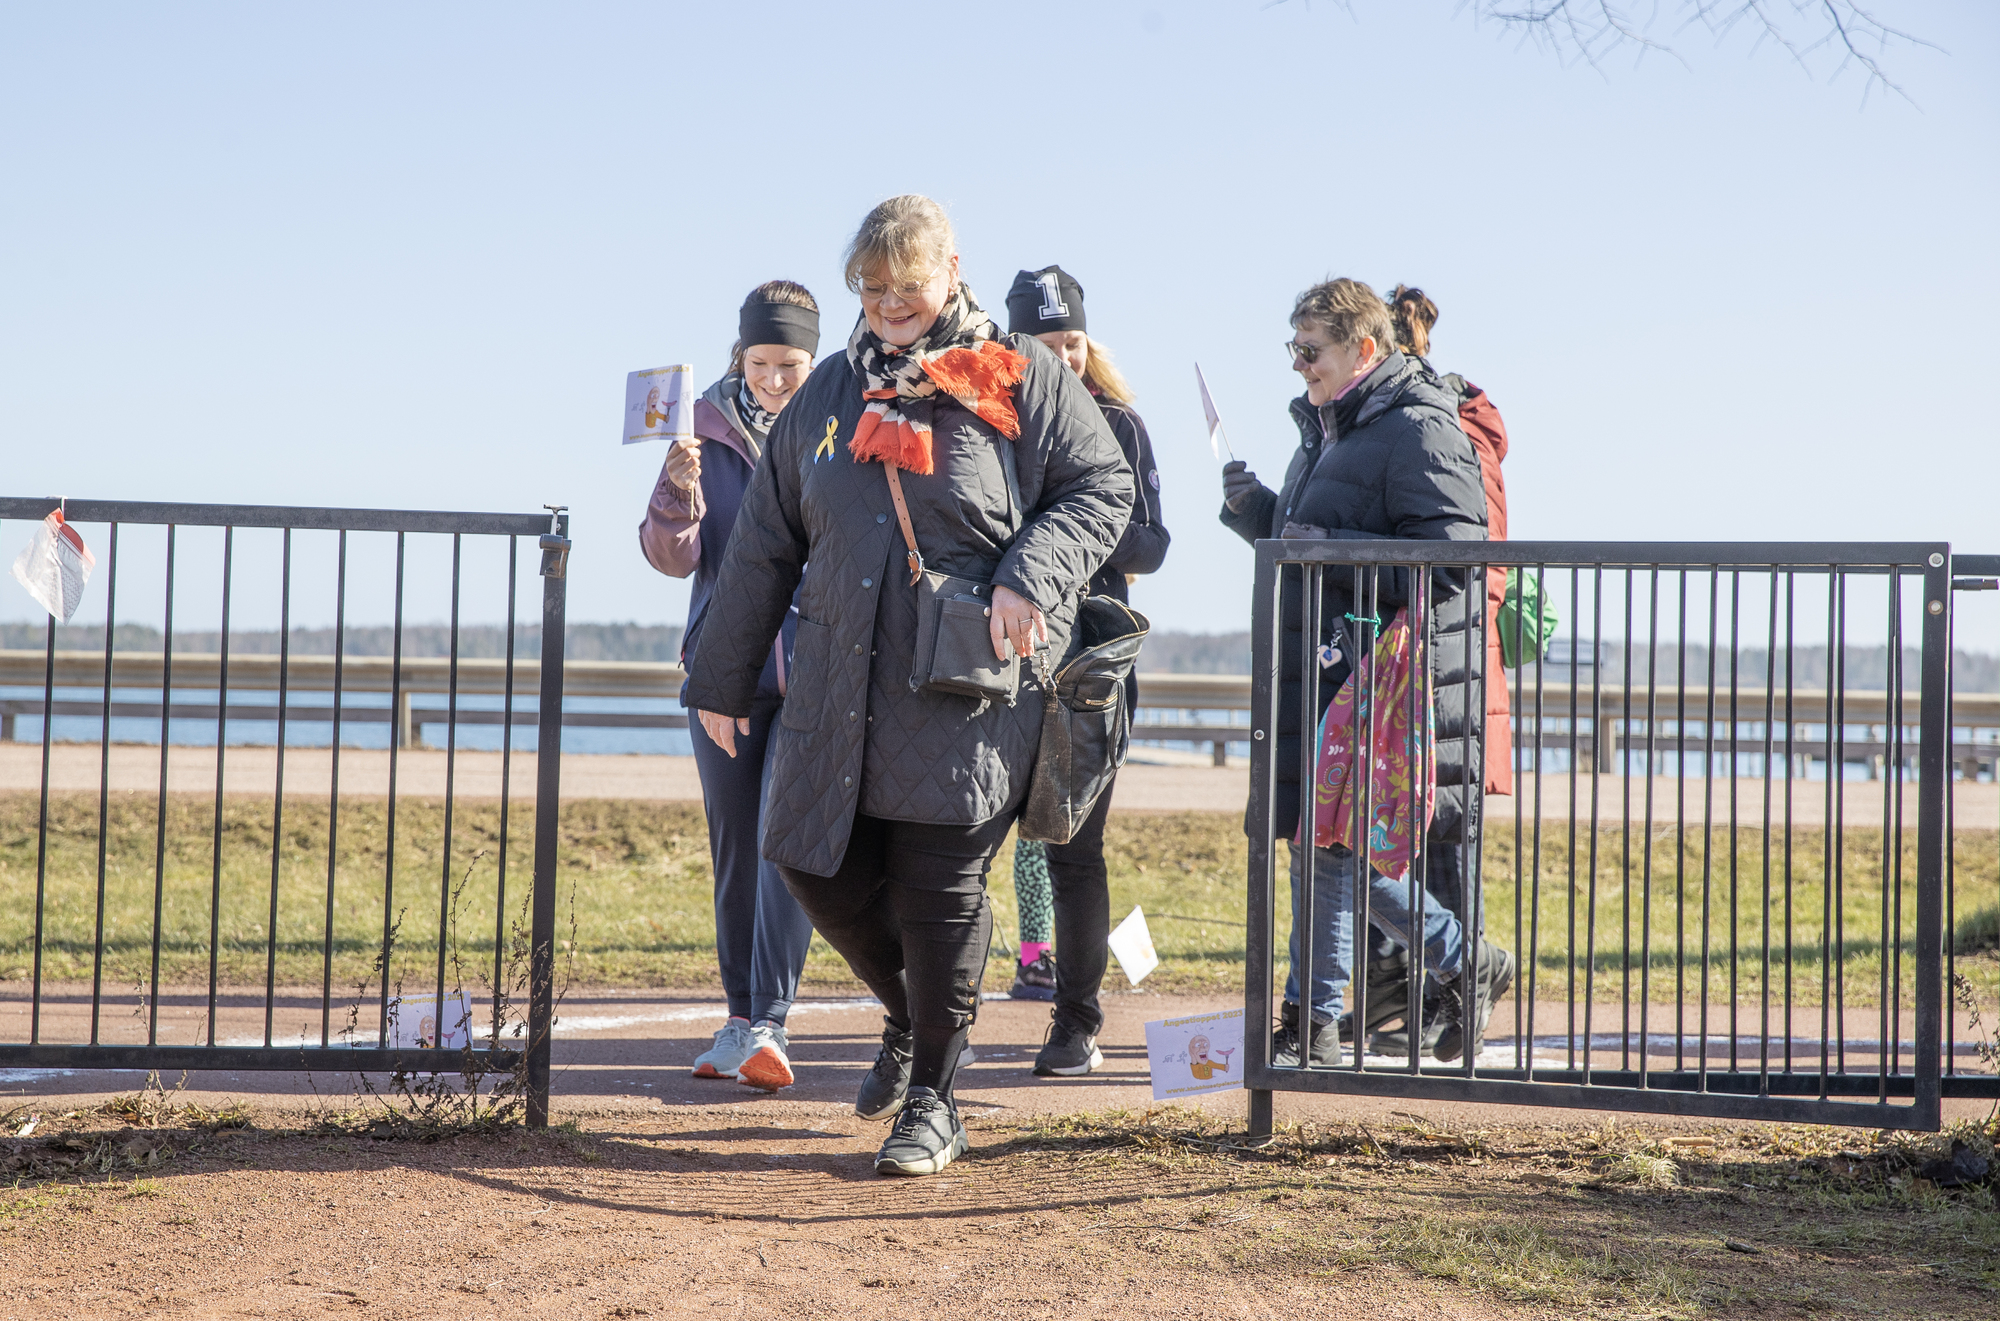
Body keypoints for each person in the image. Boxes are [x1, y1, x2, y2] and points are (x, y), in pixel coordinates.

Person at [684, 196, 1133, 1177]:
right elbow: (764, 539)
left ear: (952, 271)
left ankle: (934, 1098)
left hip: (964, 688)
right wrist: (719, 676)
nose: (890, 303)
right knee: (809, 861)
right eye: (872, 286)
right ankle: (912, 1013)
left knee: (939, 892)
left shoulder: (1014, 373)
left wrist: (1029, 573)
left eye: (909, 284)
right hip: (837, 684)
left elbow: (1103, 489)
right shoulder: (831, 389)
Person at [1218, 276, 1512, 1066]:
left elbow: (1455, 557)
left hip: (1383, 682)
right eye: (1293, 348)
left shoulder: (1418, 425)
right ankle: (1319, 1018)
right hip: (1330, 670)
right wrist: (1261, 514)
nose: (1298, 364)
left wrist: (1332, 553)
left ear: (1364, 350)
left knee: (1337, 847)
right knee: (1322, 843)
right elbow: (1321, 534)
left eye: (1310, 350)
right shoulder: (1330, 426)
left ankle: (1440, 968)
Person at [639, 280, 822, 1092]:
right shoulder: (700, 428)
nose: (774, 380)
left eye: (790, 364)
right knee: (735, 847)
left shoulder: (839, 426)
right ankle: (739, 1018)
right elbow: (673, 557)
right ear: (739, 356)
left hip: (815, 674)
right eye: (760, 363)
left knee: (786, 838)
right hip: (724, 675)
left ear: (813, 360)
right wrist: (675, 493)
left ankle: (772, 1023)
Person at [1000, 264, 1169, 1077]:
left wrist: (1077, 521)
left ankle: (1076, 1022)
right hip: (999, 657)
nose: (1062, 357)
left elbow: (1153, 545)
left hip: (1090, 666)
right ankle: (929, 1025)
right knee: (958, 848)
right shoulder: (984, 422)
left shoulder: (1121, 426)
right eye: (1043, 344)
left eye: (1071, 341)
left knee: (1074, 848)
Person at [1358, 285, 1517, 1058]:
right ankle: (1411, 995)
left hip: (1447, 666)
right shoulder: (1418, 423)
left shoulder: (1445, 427)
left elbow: (1473, 561)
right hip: (1417, 662)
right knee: (1403, 843)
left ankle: (1459, 995)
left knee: (1446, 845)